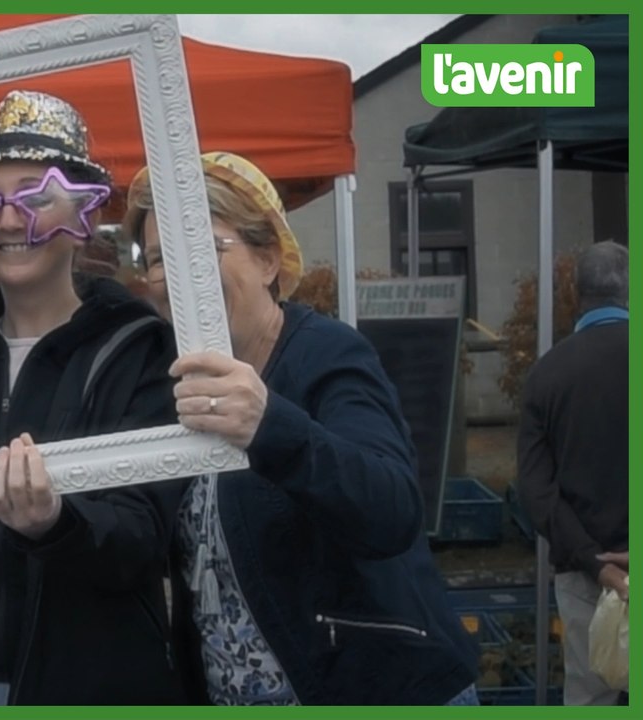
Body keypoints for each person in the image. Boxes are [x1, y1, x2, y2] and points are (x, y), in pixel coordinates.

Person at [124, 151, 479, 705]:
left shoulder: (325, 355)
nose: (176, 276)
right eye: (156, 258)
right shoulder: (171, 385)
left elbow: (391, 510)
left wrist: (271, 425)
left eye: (204, 247)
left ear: (268, 261)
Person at [0, 90, 186, 705]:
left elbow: (144, 533)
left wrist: (55, 524)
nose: (9, 221)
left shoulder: (141, 351)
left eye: (36, 196)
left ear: (85, 215)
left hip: (92, 684)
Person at [516, 241, 628, 706]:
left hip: (587, 574)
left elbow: (535, 490)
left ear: (574, 293)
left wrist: (594, 562)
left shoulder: (547, 375)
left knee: (590, 697)